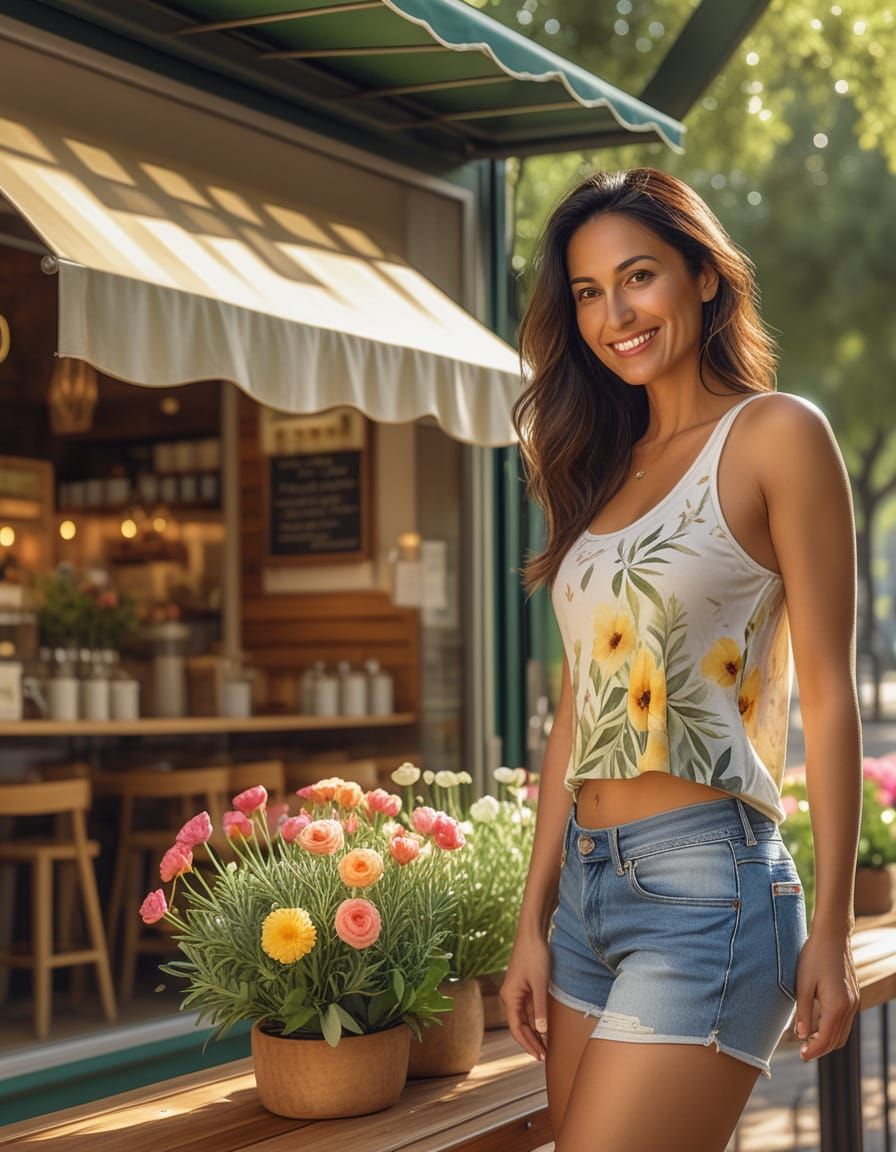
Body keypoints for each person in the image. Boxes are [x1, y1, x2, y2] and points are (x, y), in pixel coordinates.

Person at [501, 169, 861, 1152]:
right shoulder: (599, 470)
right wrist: (531, 920)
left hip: (709, 892)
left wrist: (827, 929)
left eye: (637, 277)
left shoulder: (775, 435)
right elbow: (574, 713)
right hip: (586, 892)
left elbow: (829, 698)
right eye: (586, 292)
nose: (613, 313)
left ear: (702, 279)